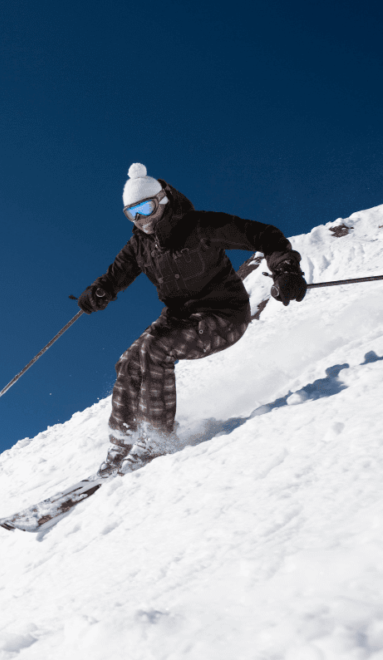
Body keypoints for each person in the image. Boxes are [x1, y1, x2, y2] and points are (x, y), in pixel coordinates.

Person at [78, 163, 307, 477]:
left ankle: (156, 441)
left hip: (224, 315)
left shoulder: (200, 226)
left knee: (156, 349)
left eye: (145, 207)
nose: (140, 219)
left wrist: (286, 269)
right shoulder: (139, 245)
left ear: (163, 201)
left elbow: (262, 234)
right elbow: (115, 276)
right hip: (180, 318)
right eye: (132, 214)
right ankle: (121, 444)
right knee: (129, 361)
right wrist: (100, 291)